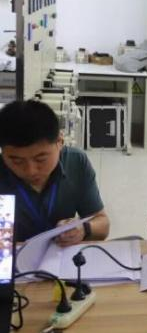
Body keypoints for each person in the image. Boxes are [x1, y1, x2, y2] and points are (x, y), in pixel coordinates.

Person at [0, 100, 109, 244]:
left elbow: (102, 225)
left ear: (60, 141)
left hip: (61, 254)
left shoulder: (75, 162)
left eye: (40, 159)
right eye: (17, 161)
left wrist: (84, 229)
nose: (31, 171)